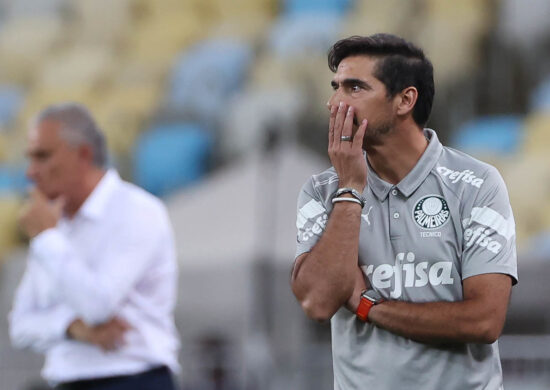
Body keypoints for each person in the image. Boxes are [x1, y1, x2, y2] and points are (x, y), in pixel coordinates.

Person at [291, 34, 517, 390]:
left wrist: (369, 307)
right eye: (336, 87)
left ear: (405, 100)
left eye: (354, 88)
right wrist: (350, 190)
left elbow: (484, 321)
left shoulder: (475, 184)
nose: (334, 102)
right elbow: (318, 302)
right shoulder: (321, 191)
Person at [9, 103, 180, 389]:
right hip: (66, 381)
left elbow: (98, 305)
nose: (31, 172)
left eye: (42, 156)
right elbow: (20, 325)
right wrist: (74, 329)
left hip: (134, 379)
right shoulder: (53, 224)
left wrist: (48, 239)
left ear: (84, 154)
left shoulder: (138, 211)